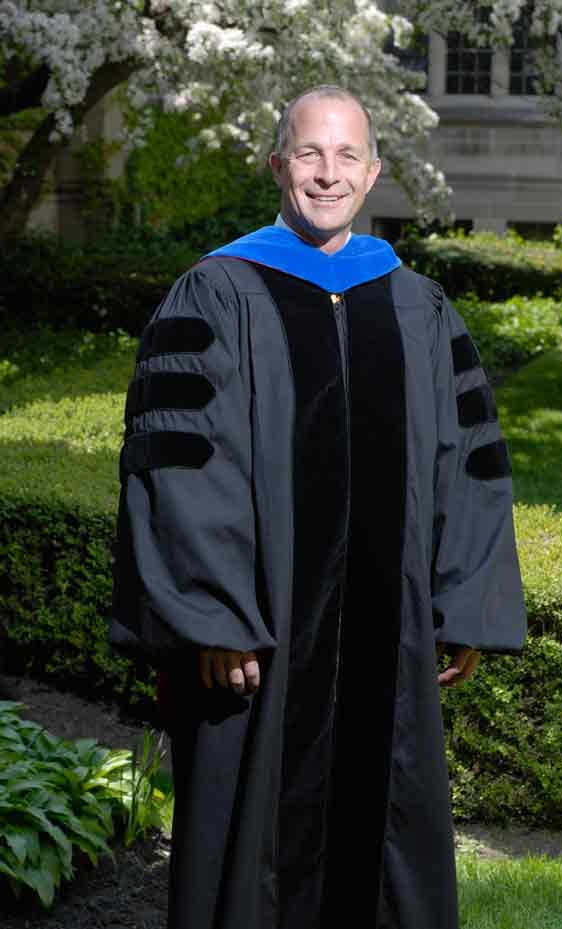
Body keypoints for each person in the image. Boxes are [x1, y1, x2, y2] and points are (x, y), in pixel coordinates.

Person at [110, 85, 527, 929]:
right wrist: (215, 614)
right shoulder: (217, 292)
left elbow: (467, 458)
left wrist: (464, 602)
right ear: (278, 165)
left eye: (346, 157)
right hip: (259, 644)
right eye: (309, 153)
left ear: (373, 174)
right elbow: (182, 463)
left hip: (389, 633)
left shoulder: (416, 304)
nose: (327, 174)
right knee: (250, 836)